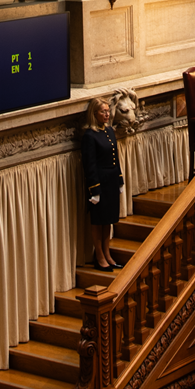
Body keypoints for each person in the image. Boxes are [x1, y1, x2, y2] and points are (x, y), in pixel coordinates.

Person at [82, 96, 124, 270]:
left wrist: (120, 179)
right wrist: (94, 189)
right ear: (94, 113)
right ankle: (99, 255)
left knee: (108, 220)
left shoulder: (109, 131)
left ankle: (107, 253)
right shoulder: (89, 135)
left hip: (112, 181)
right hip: (99, 183)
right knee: (98, 221)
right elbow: (89, 165)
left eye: (108, 111)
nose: (107, 114)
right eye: (103, 111)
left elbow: (116, 157)